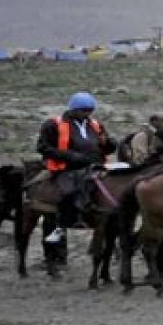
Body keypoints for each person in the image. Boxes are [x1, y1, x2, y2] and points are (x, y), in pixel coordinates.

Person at [36, 92, 117, 243]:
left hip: (96, 166)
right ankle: (62, 226)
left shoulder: (96, 125)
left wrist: (110, 144)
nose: (87, 114)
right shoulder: (53, 124)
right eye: (84, 110)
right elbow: (43, 147)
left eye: (90, 110)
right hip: (67, 168)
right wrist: (70, 155)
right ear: (73, 109)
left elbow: (106, 148)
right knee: (69, 192)